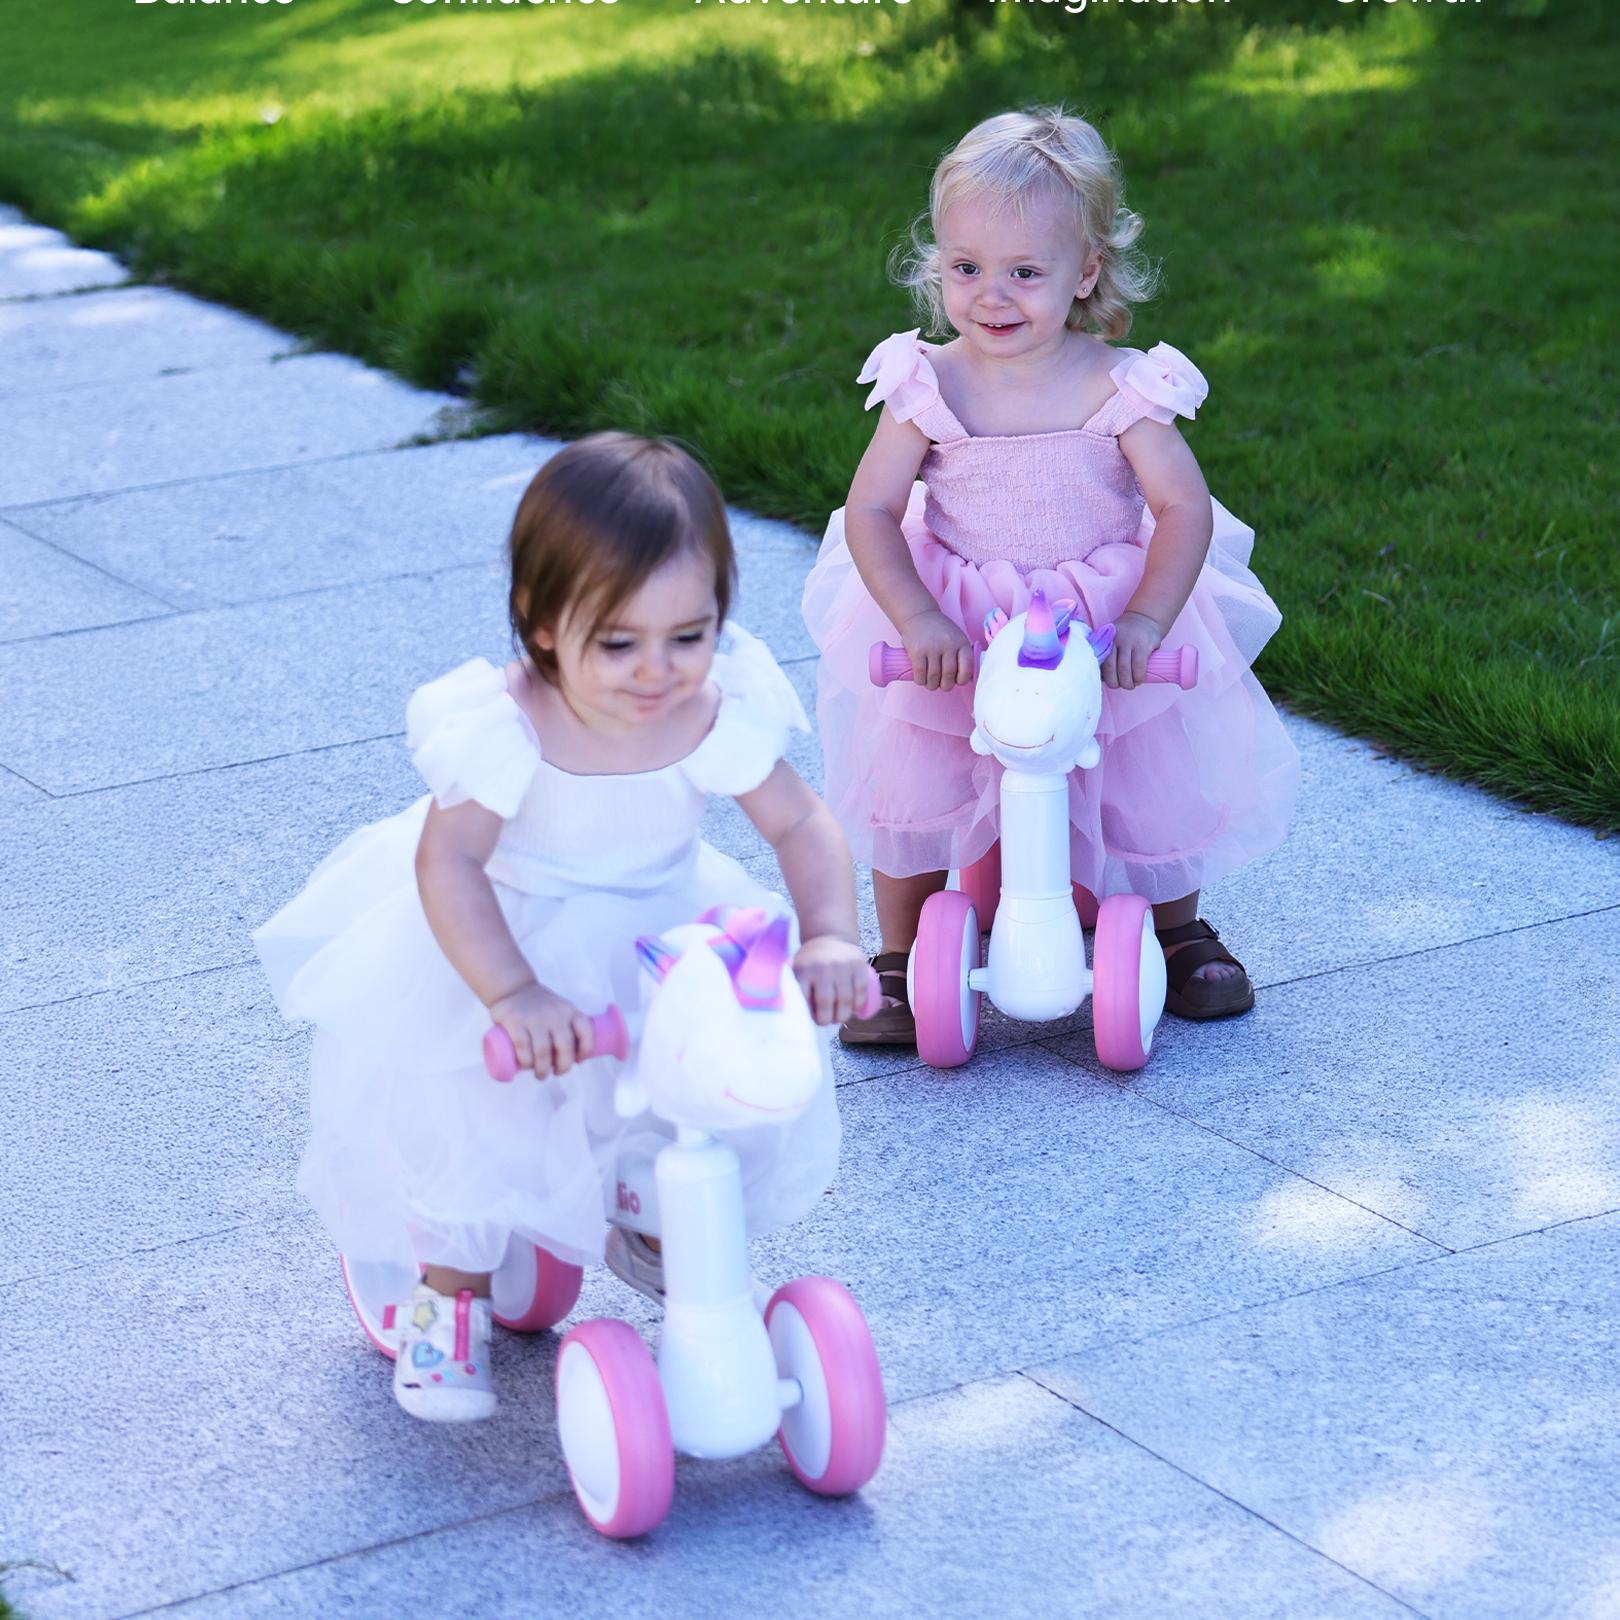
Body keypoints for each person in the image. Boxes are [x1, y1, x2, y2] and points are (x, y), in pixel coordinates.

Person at [256, 433, 868, 1421]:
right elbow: (449, 864)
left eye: (689, 635)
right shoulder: (506, 725)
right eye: (618, 644)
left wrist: (831, 931)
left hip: (660, 942)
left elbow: (799, 822)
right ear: (542, 623)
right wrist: (511, 993)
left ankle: (661, 1235)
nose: (656, 671)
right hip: (509, 941)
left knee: (698, 1103)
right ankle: (446, 1303)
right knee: (477, 1134)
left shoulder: (711, 711)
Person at [804, 107, 1299, 1045]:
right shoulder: (926, 384)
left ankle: (1177, 930)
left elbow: (1182, 508)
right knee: (914, 778)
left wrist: (1148, 619)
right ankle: (901, 957)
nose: (991, 296)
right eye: (965, 267)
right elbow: (870, 510)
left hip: (1100, 617)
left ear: (1086, 272)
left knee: (1146, 774)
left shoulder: (1122, 385)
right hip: (956, 615)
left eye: (1025, 272)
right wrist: (915, 618)